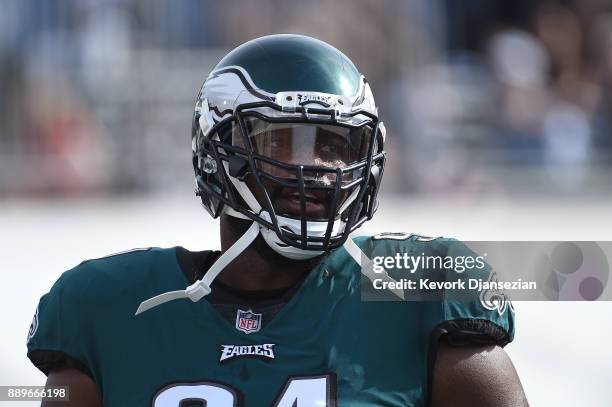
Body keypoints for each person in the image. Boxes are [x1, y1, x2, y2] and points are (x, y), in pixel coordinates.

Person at [27, 34, 528, 406]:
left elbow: (586, 274)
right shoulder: (103, 308)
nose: (315, 168)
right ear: (216, 155)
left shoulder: (426, 286)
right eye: (282, 141)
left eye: (335, 145)